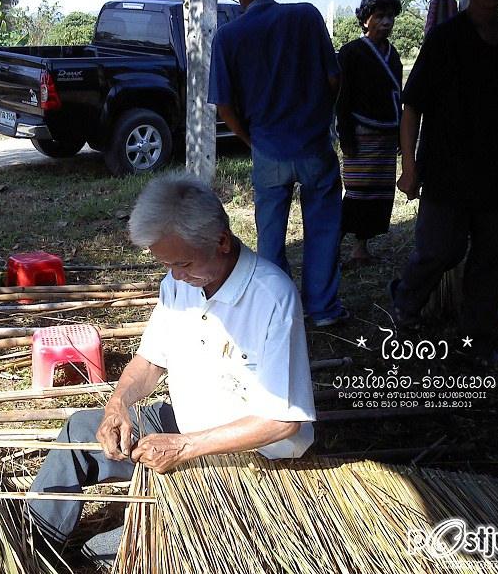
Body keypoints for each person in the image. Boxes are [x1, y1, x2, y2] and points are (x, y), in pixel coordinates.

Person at [28, 173, 316, 563]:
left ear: (222, 242)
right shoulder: (179, 282)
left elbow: (283, 421)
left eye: (182, 263)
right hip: (183, 428)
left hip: (248, 458)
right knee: (79, 430)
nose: (175, 276)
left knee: (128, 551)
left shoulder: (272, 296)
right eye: (167, 264)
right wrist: (119, 405)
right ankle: (34, 550)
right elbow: (149, 362)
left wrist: (186, 447)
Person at [390, 0, 498, 364]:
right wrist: (410, 167)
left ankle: (478, 339)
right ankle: (405, 304)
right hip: (447, 172)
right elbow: (412, 106)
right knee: (439, 250)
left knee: (492, 260)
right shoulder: (445, 39)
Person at [208, 0, 345, 327]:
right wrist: (320, 116)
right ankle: (324, 309)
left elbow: (223, 104)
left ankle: (279, 312)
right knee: (323, 229)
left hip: (267, 148)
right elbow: (334, 80)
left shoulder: (229, 35)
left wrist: (250, 139)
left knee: (270, 238)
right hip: (314, 145)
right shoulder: (307, 17)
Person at [336, 0, 403, 268]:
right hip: (361, 136)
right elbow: (342, 97)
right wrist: (347, 136)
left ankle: (360, 249)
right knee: (356, 193)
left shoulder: (393, 54)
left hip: (387, 135)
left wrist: (401, 132)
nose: (386, 22)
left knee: (378, 194)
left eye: (390, 17)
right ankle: (333, 246)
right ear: (365, 20)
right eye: (380, 16)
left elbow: (398, 94)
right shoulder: (351, 52)